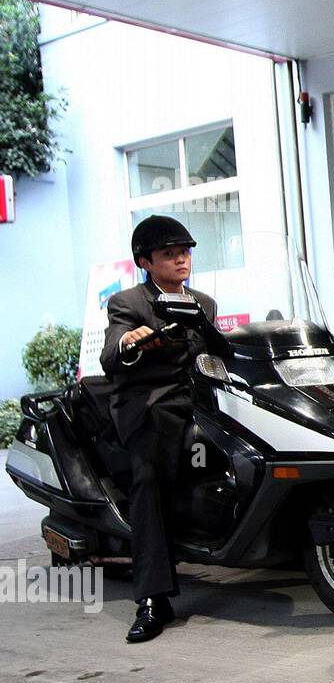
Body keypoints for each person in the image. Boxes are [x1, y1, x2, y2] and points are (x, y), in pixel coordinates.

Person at [100, 216, 216, 643]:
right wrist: (131, 342)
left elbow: (219, 349)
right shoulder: (128, 303)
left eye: (185, 252)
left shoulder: (203, 301)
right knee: (147, 479)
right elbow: (112, 353)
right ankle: (152, 598)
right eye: (169, 254)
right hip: (147, 406)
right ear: (146, 261)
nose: (181, 259)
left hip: (199, 406)